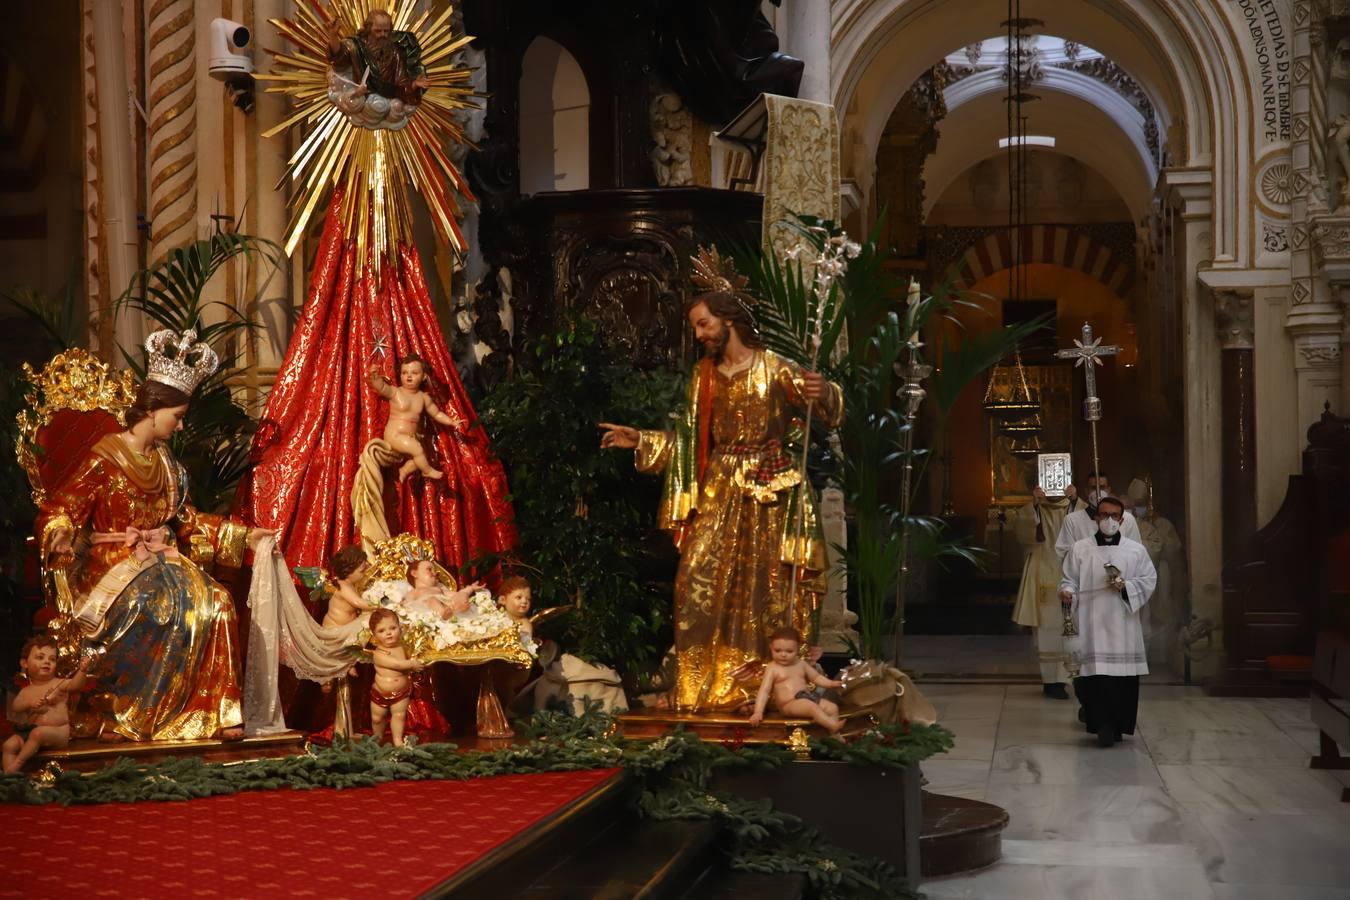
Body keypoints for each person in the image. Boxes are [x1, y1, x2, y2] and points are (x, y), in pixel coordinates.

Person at [600, 251, 843, 711]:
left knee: (768, 591)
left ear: (729, 318)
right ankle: (704, 687)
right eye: (697, 326)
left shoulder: (774, 369)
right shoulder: (703, 377)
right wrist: (643, 440)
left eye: (704, 323)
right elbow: (691, 444)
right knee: (696, 587)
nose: (699, 335)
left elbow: (825, 412)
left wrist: (824, 391)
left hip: (771, 494)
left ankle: (769, 688)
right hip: (720, 490)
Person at [35, 328, 274, 742]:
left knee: (217, 603)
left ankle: (210, 713)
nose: (180, 427)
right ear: (153, 410)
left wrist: (243, 536)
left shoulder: (167, 464)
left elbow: (187, 519)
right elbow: (62, 508)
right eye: (177, 416)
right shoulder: (105, 459)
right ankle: (127, 714)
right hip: (114, 566)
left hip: (164, 562)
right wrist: (59, 530)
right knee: (153, 607)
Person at [1058, 496, 1157, 747]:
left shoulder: (1135, 551)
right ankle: (1101, 725)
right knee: (1096, 677)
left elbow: (1148, 580)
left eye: (1115, 516)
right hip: (1092, 624)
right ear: (1096, 518)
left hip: (1123, 624)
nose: (1109, 520)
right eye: (1104, 515)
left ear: (1123, 520)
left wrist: (1125, 587)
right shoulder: (1080, 549)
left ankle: (1119, 726)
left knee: (1122, 679)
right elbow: (1069, 579)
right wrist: (1067, 591)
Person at [1012, 484, 1078, 699]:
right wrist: (1035, 504)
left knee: (1072, 628)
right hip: (1043, 575)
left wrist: (1075, 499)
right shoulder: (1033, 508)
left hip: (1070, 574)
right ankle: (1051, 680)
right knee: (1048, 629)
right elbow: (1024, 534)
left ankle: (1068, 676)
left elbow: (1088, 527)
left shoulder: (1076, 507)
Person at [369, 355, 465, 482]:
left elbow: (436, 414)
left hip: (411, 438)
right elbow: (381, 387)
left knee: (421, 456)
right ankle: (428, 471)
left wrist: (452, 422)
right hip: (394, 435)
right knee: (417, 449)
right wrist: (375, 376)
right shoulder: (396, 392)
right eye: (404, 373)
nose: (409, 376)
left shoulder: (424, 398)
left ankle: (403, 471)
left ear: (424, 376)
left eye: (414, 373)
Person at [3, 637, 90, 772]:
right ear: (25, 663)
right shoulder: (26, 691)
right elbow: (16, 707)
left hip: (58, 732)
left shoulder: (58, 684)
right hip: (30, 732)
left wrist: (82, 671)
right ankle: (8, 775)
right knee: (10, 744)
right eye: (40, 657)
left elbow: (75, 684)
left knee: (38, 734)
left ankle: (17, 765)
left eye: (52, 659)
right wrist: (30, 703)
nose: (47, 662)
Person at [1126, 478, 1185, 666]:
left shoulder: (1161, 524)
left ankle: (1153, 657)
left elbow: (1170, 549)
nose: (1138, 509)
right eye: (1134, 505)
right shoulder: (1124, 523)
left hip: (1157, 576)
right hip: (1129, 579)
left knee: (1151, 616)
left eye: (1141, 505)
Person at [748, 627, 845, 733]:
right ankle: (832, 726)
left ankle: (835, 736)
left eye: (789, 651)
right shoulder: (772, 668)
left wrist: (830, 683)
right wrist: (758, 712)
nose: (783, 654)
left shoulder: (801, 664)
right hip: (789, 704)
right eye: (778, 650)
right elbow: (764, 690)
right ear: (771, 647)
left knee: (832, 707)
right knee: (812, 707)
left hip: (808, 697)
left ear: (797, 649)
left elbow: (816, 677)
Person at [325, 8, 429, 105]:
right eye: (378, 31)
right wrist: (333, 36)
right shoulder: (356, 47)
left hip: (385, 103)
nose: (383, 34)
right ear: (368, 30)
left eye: (386, 31)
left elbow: (401, 82)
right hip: (360, 101)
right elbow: (339, 57)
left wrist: (414, 84)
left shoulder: (395, 52)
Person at [368, 608, 425, 746]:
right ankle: (377, 739)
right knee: (377, 718)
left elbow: (414, 654)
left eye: (392, 628)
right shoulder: (379, 653)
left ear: (400, 628)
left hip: (401, 691)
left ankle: (397, 740)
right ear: (374, 635)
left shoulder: (402, 647)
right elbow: (397, 664)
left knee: (399, 715)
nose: (388, 633)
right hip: (380, 692)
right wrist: (411, 664)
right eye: (381, 631)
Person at [1055, 470, 1140, 563]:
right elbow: (1065, 554)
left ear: (1108, 490)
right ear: (1086, 491)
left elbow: (1136, 550)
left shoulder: (1127, 519)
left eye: (1102, 487)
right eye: (1093, 488)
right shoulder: (1072, 520)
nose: (1098, 492)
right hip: (1086, 574)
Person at [402, 559, 482, 619]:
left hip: (449, 606)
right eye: (429, 569)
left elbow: (455, 594)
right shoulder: (414, 592)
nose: (435, 573)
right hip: (432, 611)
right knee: (432, 599)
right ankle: (444, 613)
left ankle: (458, 609)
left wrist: (470, 588)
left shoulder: (438, 589)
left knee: (461, 595)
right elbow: (406, 604)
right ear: (414, 573)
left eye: (434, 570)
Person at [322, 544, 378, 629]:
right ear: (348, 572)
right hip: (335, 628)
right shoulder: (343, 586)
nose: (365, 573)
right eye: (362, 571)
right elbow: (357, 602)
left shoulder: (350, 584)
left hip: (348, 626)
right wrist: (379, 604)